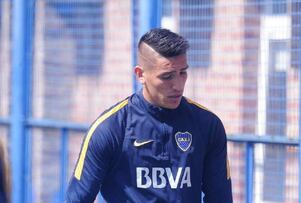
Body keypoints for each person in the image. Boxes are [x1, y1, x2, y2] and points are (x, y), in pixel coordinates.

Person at [66, 28, 233, 202]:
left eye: (182, 72)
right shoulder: (110, 129)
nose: (178, 85)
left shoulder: (208, 125)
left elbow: (220, 198)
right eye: (167, 76)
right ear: (140, 75)